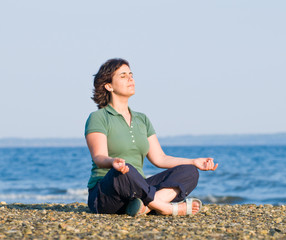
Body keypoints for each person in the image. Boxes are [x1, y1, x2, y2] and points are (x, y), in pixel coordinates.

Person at [85, 58, 218, 216]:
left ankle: (144, 206)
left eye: (131, 74)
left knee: (190, 172)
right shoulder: (98, 117)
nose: (130, 79)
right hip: (106, 195)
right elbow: (99, 157)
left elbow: (160, 158)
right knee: (124, 171)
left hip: (137, 193)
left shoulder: (142, 119)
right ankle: (165, 207)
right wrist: (113, 162)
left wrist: (193, 162)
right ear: (108, 86)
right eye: (123, 76)